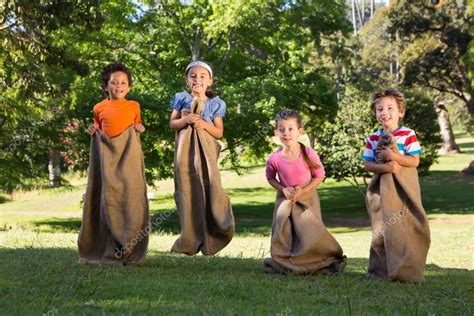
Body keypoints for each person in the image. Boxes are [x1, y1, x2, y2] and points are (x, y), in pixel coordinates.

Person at [78, 62, 149, 266]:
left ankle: (130, 247)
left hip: (127, 158)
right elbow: (98, 128)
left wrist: (139, 127)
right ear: (105, 86)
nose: (119, 86)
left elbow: (137, 125)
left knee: (129, 197)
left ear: (129, 87)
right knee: (107, 199)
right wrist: (92, 130)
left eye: (123, 83)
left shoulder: (133, 106)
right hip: (107, 159)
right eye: (114, 82)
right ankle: (105, 247)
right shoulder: (99, 107)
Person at [263, 109, 346, 275]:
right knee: (284, 231)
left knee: (309, 232)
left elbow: (320, 175)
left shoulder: (308, 153)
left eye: (291, 129)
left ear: (300, 131)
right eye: (282, 129)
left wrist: (304, 190)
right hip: (286, 200)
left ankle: (316, 259)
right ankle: (288, 261)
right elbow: (271, 178)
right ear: (276, 132)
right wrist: (282, 189)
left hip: (307, 200)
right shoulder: (274, 158)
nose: (286, 133)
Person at [363, 88, 430, 283]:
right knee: (381, 229)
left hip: (404, 190)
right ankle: (380, 272)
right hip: (382, 191)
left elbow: (414, 161)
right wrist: (384, 167)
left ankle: (407, 271)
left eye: (390, 108)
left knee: (406, 227)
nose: (385, 113)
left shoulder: (408, 134)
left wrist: (393, 157)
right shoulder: (373, 138)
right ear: (375, 113)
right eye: (380, 109)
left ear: (400, 112)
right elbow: (368, 165)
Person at [169, 60, 234, 256]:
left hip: (206, 153)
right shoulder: (181, 98)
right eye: (193, 76)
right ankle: (188, 238)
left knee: (209, 188)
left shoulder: (216, 103)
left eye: (202, 76)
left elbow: (219, 132)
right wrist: (186, 120)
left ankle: (213, 234)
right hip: (185, 153)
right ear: (187, 79)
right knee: (187, 191)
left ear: (210, 81)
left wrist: (203, 125)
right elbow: (173, 124)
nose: (197, 79)